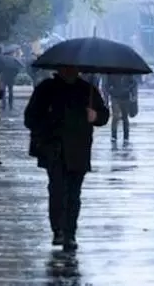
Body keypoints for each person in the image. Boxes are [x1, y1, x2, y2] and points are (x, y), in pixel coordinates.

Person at [24, 66, 110, 251]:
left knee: (73, 194)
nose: (70, 71)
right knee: (57, 191)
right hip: (54, 150)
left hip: (79, 150)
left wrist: (95, 116)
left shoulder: (87, 90)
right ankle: (58, 230)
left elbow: (103, 115)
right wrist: (48, 123)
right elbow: (30, 118)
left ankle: (70, 233)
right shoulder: (46, 88)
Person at [107, 74, 138, 142]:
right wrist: (110, 91)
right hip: (115, 97)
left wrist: (128, 89)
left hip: (125, 97)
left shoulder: (128, 73)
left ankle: (126, 136)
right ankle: (114, 136)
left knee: (125, 117)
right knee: (115, 116)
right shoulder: (112, 73)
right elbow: (107, 84)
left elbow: (134, 83)